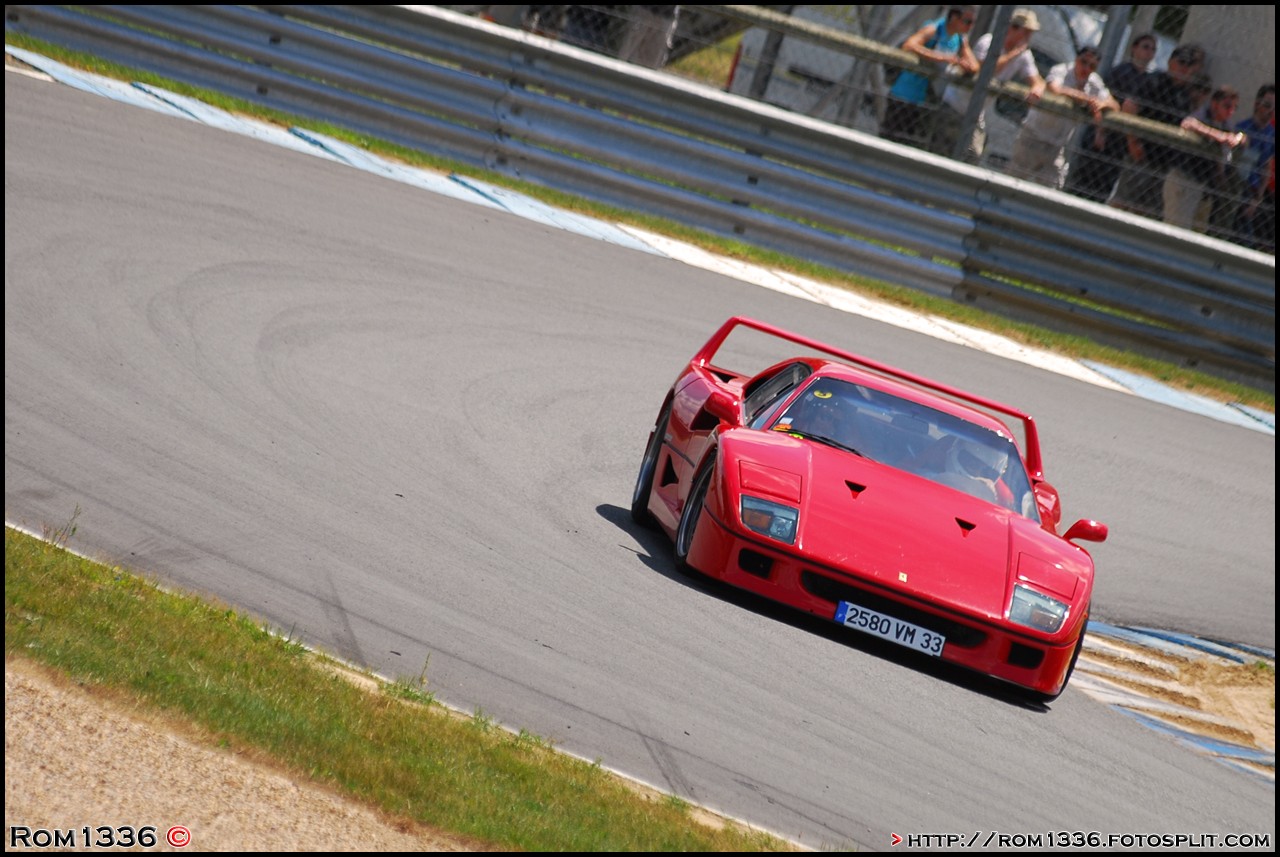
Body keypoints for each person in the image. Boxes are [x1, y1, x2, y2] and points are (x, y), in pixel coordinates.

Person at [932, 7, 1045, 163]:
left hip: (976, 113)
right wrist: (1012, 55)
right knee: (942, 152)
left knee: (973, 155)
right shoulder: (989, 42)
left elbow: (1037, 80)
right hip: (955, 104)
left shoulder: (1024, 55)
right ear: (1012, 28)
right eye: (1025, 32)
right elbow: (985, 70)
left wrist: (1037, 88)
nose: (1028, 37)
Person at [1110, 43, 1206, 218]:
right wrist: (1133, 142)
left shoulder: (1184, 94)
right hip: (1141, 154)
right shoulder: (1154, 81)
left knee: (1148, 210)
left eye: (1189, 65)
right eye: (1181, 63)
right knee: (1124, 201)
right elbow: (1129, 107)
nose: (1184, 69)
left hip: (1163, 162)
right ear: (1170, 62)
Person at [1064, 32, 1156, 202]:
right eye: (1145, 47)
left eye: (1152, 49)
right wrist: (1100, 132)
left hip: (1120, 142)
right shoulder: (1121, 72)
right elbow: (1103, 103)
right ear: (1134, 49)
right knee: (1083, 182)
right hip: (1102, 136)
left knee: (1104, 188)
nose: (1149, 52)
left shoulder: (1148, 80)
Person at [1009, 46, 1117, 188]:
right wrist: (1084, 98)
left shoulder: (1094, 82)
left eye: (1092, 66)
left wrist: (1102, 103)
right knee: (1013, 182)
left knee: (1051, 188)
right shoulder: (1062, 70)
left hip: (1056, 146)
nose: (1086, 68)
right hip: (1033, 137)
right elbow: (1054, 89)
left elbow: (1115, 105)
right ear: (1076, 59)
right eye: (1083, 62)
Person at [880, 6, 980, 151]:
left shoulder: (959, 38)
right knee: (889, 143)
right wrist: (941, 57)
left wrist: (962, 63)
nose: (970, 27)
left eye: (973, 23)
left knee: (910, 148)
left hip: (925, 103)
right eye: (967, 21)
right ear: (954, 17)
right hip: (904, 96)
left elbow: (975, 66)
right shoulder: (935, 29)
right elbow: (909, 45)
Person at [1163, 86, 1247, 230]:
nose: (1231, 111)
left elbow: (1237, 140)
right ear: (1214, 104)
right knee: (1176, 232)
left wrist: (1239, 139)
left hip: (1204, 188)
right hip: (1184, 181)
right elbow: (1188, 124)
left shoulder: (1225, 124)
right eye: (1227, 106)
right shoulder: (1203, 114)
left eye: (1234, 108)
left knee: (1197, 235)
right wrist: (1218, 135)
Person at [1232, 84, 1276, 248]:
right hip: (1237, 186)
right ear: (1257, 104)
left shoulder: (1271, 134)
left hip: (1253, 192)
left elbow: (1266, 167)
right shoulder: (1243, 128)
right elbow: (1235, 165)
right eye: (1267, 105)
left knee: (1249, 238)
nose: (1271, 111)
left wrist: (1257, 199)